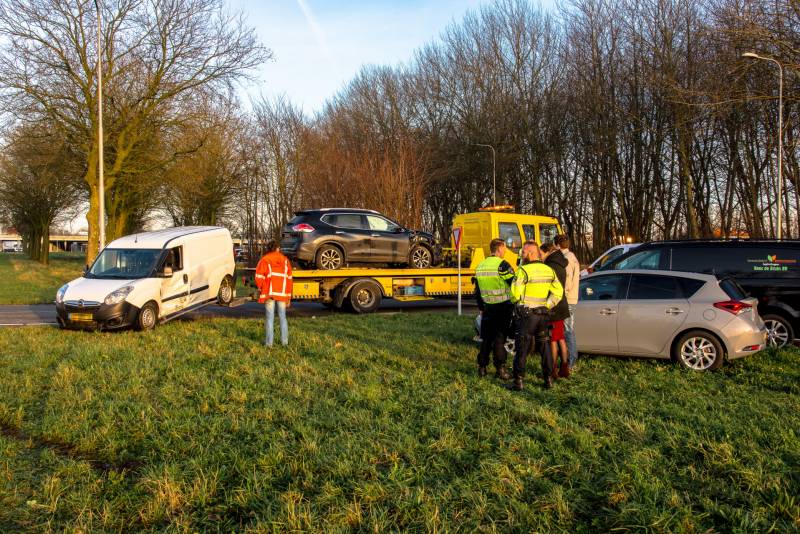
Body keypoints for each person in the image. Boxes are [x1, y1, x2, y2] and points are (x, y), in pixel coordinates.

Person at [507, 241, 564, 390]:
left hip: (527, 316)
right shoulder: (549, 270)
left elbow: (514, 294)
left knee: (522, 349)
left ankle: (518, 381)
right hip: (543, 315)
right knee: (544, 347)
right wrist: (547, 305)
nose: (522, 255)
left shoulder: (523, 271)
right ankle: (548, 379)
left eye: (523, 253)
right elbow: (558, 292)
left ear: (531, 253)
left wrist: (519, 303)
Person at [473, 238, 515, 379]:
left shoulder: (480, 266)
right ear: (498, 249)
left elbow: (477, 291)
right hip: (502, 307)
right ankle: (500, 369)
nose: (505, 251)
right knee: (499, 339)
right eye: (504, 248)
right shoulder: (502, 265)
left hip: (487, 308)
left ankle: (482, 368)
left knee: (486, 339)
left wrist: (481, 307)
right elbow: (514, 285)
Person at [255, 240, 293, 347]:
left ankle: (269, 344)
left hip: (269, 293)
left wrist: (261, 288)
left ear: (268, 248)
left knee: (269, 318)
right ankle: (284, 343)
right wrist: (288, 296)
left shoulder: (265, 259)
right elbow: (289, 278)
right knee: (282, 317)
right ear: (277, 248)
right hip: (282, 293)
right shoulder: (285, 260)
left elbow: (258, 277)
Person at [541, 241, 571, 379]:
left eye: (541, 254)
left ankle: (553, 370)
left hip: (554, 306)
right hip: (562, 304)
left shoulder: (550, 266)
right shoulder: (560, 262)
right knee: (560, 338)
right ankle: (564, 368)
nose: (540, 257)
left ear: (547, 252)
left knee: (553, 340)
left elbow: (549, 288)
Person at [556, 234, 580, 370]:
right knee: (567, 329)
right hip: (570, 298)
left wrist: (559, 293)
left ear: (558, 245)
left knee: (568, 330)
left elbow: (568, 282)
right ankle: (570, 359)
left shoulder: (567, 259)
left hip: (568, 299)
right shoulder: (572, 257)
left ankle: (571, 361)